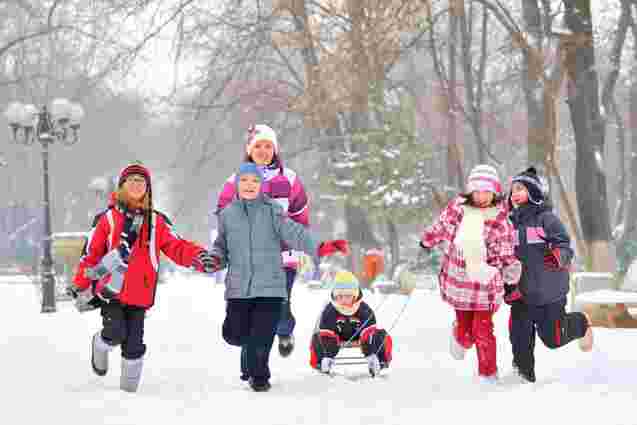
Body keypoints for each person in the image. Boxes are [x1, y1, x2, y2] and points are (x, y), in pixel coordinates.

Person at [69, 162, 217, 393]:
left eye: (142, 181)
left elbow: (177, 246)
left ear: (147, 188)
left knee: (135, 346)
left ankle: (128, 395)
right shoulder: (107, 219)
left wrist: (199, 256)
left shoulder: (157, 222)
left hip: (140, 293)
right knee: (114, 333)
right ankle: (100, 344)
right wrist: (80, 285)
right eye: (132, 181)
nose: (137, 185)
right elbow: (91, 254)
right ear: (121, 186)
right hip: (112, 291)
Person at [209, 162, 349, 392]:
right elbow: (221, 246)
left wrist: (323, 247)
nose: (249, 185)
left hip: (271, 286)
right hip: (238, 288)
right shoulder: (228, 215)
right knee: (234, 334)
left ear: (261, 185)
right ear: (237, 185)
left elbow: (296, 234)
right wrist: (214, 259)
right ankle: (252, 362)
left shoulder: (272, 210)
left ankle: (260, 378)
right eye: (244, 180)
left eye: (254, 181)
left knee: (262, 335)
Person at [419, 164, 522, 383]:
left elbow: (503, 249)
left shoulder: (499, 219)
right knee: (466, 336)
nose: (482, 196)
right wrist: (427, 240)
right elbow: (441, 226)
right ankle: (459, 333)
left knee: (482, 331)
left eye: (487, 191)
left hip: (485, 287)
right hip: (459, 283)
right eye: (477, 191)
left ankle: (488, 373)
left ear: (494, 192)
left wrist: (504, 268)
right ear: (470, 192)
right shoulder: (458, 208)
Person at [216, 124, 310, 357]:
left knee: (279, 305)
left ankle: (284, 329)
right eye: (258, 145)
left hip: (282, 258)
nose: (263, 150)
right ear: (249, 149)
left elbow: (300, 214)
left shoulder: (289, 179)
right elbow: (223, 214)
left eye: (268, 146)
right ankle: (253, 362)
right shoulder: (234, 181)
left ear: (275, 150)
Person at [507, 167, 593, 383]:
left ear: (534, 191)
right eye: (513, 190)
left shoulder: (546, 219)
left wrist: (558, 255)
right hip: (522, 293)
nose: (514, 193)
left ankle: (581, 323)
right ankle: (523, 374)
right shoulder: (510, 223)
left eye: (520, 188)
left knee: (553, 338)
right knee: (520, 334)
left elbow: (564, 244)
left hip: (549, 292)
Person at [310, 271, 392, 377]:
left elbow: (369, 330)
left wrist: (371, 352)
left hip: (361, 337)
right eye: (340, 296)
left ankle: (379, 361)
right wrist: (327, 354)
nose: (344, 300)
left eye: (348, 296)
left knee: (380, 335)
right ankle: (322, 362)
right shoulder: (330, 310)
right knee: (318, 338)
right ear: (335, 296)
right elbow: (326, 331)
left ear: (354, 295)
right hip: (334, 338)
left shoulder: (363, 309)